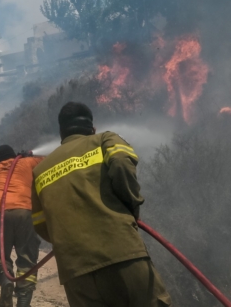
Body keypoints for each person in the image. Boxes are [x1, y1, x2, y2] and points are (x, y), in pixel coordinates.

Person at [31, 102, 172, 307]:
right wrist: (132, 206)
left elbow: (39, 222)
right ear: (92, 128)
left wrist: (69, 240)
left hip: (75, 272)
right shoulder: (104, 140)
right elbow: (123, 163)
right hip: (122, 253)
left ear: (61, 132)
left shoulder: (39, 170)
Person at [0, 145, 43, 307]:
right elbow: (47, 162)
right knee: (27, 258)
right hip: (24, 211)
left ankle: (5, 281)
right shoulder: (27, 163)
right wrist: (29, 156)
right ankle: (24, 301)